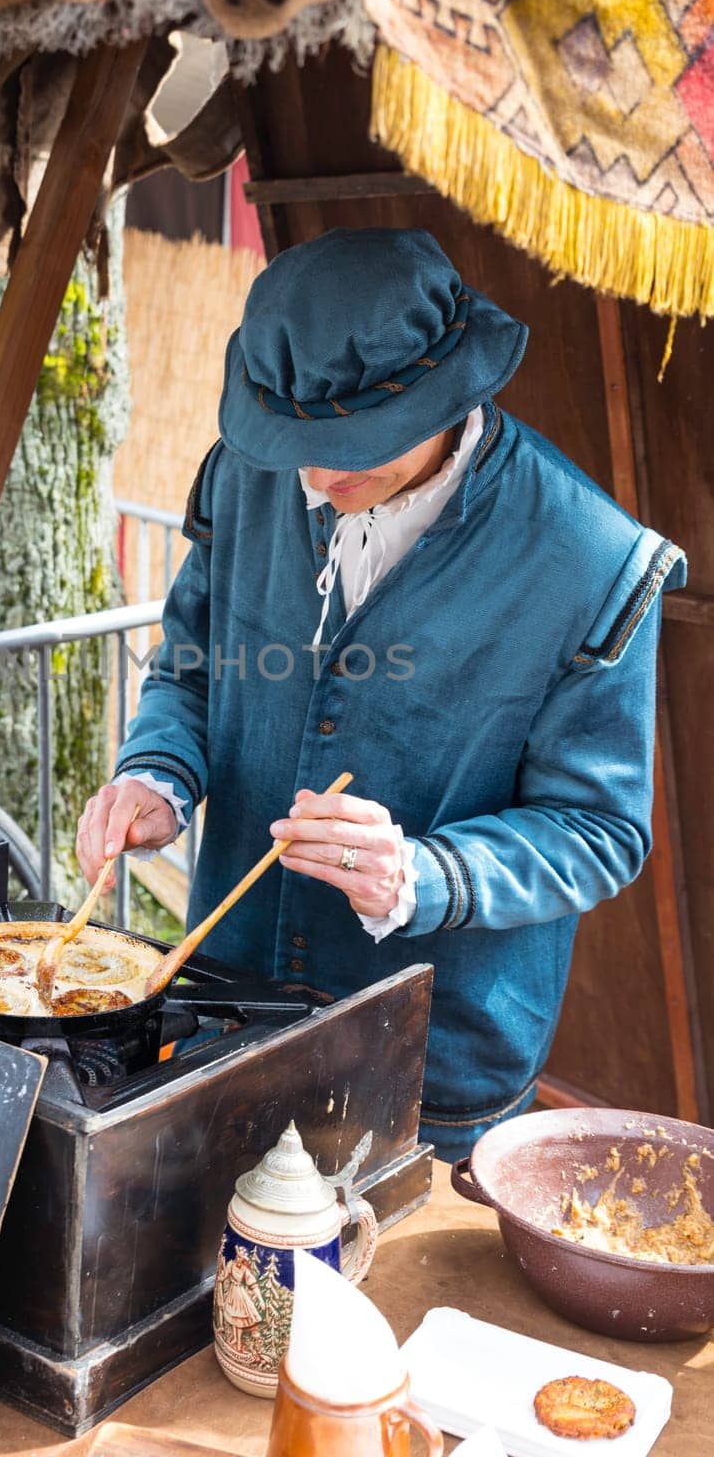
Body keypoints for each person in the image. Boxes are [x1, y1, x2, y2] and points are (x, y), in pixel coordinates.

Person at [77, 228, 686, 1159]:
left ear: (453, 391)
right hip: (229, 1003)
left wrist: (424, 875)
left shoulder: (595, 562)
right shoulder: (247, 478)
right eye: (296, 445)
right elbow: (191, 666)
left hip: (433, 1054)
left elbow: (599, 832)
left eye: (352, 441)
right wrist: (156, 774)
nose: (317, 479)